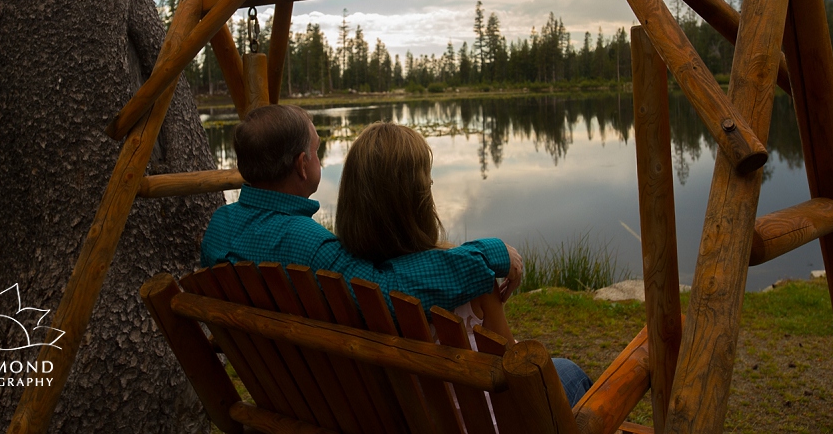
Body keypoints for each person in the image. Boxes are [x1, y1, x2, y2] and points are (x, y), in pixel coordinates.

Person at [334, 121, 592, 406]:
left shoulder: (341, 284)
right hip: (485, 422)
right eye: (428, 184)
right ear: (418, 202)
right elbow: (518, 374)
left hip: (410, 419)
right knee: (571, 373)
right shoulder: (471, 280)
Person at [200, 104, 524, 314]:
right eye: (316, 150)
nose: (320, 159)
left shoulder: (219, 229)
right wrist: (489, 253)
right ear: (302, 165)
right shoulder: (308, 246)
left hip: (277, 386)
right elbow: (387, 294)